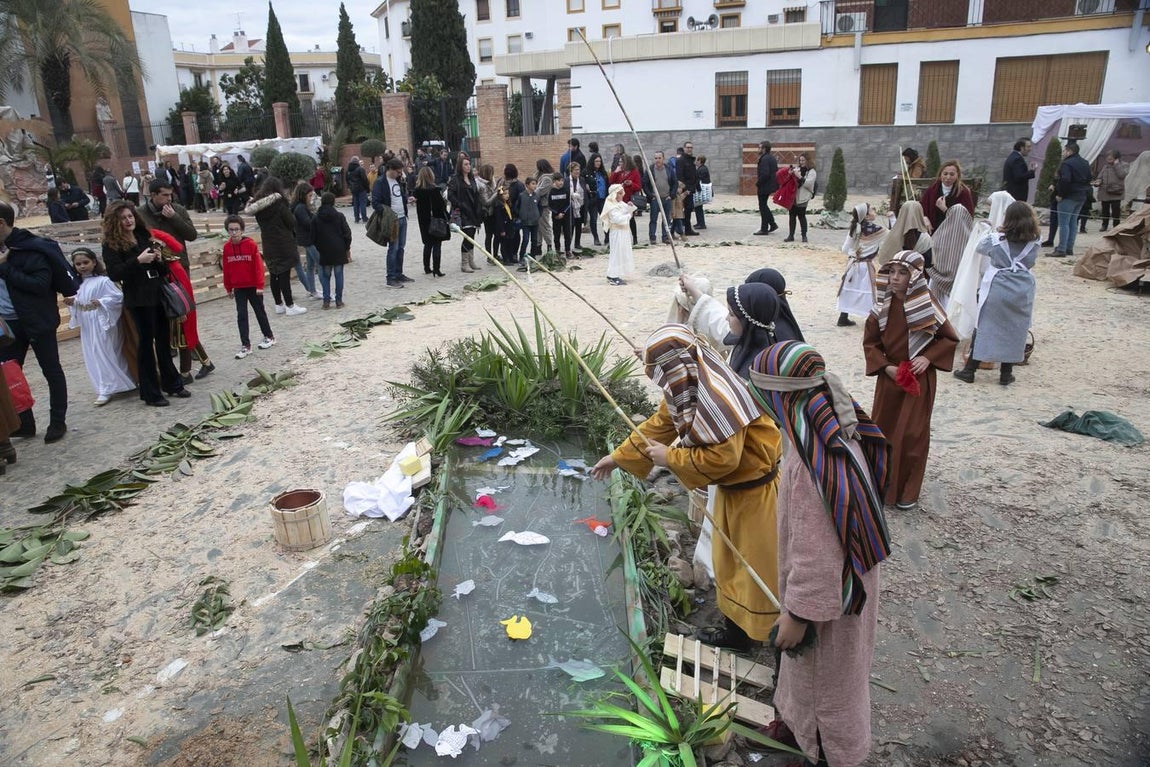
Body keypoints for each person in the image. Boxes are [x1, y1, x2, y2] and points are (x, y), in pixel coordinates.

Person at [590, 324, 783, 652]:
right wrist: (618, 457)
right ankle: (737, 632)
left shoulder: (719, 399)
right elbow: (661, 422)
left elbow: (725, 458)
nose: (663, 382)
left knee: (756, 570)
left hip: (755, 497)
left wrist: (670, 457)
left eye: (663, 372)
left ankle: (774, 640)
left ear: (676, 367)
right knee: (728, 564)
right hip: (734, 494)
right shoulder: (694, 383)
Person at [748, 340, 890, 767]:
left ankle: (827, 751)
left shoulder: (811, 463)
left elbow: (815, 551)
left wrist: (797, 614)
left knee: (825, 683)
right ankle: (795, 730)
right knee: (824, 672)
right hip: (851, 581)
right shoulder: (834, 430)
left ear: (780, 398)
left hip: (830, 598)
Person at [863, 251, 958, 509]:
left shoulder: (929, 307)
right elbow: (870, 343)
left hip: (919, 379)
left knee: (913, 434)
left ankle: (906, 491)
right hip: (890, 378)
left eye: (902, 272)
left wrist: (928, 358)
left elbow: (950, 338)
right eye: (891, 271)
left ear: (915, 277)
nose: (895, 278)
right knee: (883, 429)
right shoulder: (881, 307)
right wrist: (885, 367)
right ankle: (880, 486)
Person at [101, 202, 189, 407]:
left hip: (157, 292)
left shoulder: (142, 236)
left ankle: (173, 383)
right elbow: (115, 273)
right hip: (138, 298)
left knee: (164, 341)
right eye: (123, 218)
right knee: (146, 344)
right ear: (116, 221)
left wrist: (158, 259)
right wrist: (138, 261)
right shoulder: (111, 245)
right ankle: (151, 392)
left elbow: (162, 270)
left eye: (130, 216)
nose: (128, 221)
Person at [0, 201, 75, 440]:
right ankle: (25, 423)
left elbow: (39, 285)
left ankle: (57, 421)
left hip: (37, 320)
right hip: (7, 324)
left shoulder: (30, 248)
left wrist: (5, 268)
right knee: (10, 375)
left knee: (51, 371)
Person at [953, 201, 1040, 386]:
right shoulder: (1035, 243)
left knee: (984, 326)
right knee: (1015, 329)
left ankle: (970, 370)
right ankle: (1006, 373)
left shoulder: (996, 240)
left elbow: (980, 247)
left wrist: (993, 230)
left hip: (998, 286)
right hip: (1023, 289)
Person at [67, 248, 135, 406]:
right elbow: (80, 300)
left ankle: (111, 386)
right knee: (93, 353)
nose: (82, 266)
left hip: (102, 320)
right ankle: (106, 386)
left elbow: (117, 297)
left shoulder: (104, 281)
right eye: (78, 264)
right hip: (87, 324)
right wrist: (73, 302)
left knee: (106, 352)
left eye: (85, 262)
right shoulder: (77, 284)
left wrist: (102, 302)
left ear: (94, 262)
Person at [151, 230, 215, 385]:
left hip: (179, 310)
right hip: (175, 309)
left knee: (183, 339)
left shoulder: (173, 267)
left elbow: (181, 294)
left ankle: (185, 373)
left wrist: (181, 311)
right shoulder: (168, 265)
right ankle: (206, 363)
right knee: (188, 336)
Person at [245, 178, 307, 314]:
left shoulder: (259, 208)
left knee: (274, 274)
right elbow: (291, 222)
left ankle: (279, 304)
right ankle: (290, 305)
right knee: (284, 275)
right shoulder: (279, 204)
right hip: (283, 243)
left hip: (268, 244)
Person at [221, 215, 276, 358]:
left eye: (236, 229)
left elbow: (258, 266)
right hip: (239, 287)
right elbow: (226, 269)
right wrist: (228, 287)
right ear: (227, 231)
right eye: (231, 230)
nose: (234, 233)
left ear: (242, 230)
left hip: (253, 286)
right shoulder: (226, 248)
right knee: (241, 316)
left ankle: (269, 336)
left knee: (259, 312)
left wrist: (259, 285)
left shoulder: (251, 245)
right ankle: (245, 345)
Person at [837, 203, 887, 327]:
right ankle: (871, 321)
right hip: (865, 266)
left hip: (852, 264)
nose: (874, 211)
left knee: (847, 290)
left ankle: (843, 317)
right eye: (872, 210)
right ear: (867, 216)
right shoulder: (878, 230)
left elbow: (844, 249)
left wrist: (854, 253)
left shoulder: (854, 228)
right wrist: (892, 218)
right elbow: (893, 234)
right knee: (868, 292)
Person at [138, 179, 198, 270]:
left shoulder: (178, 210)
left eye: (170, 194)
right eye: (165, 195)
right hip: (155, 266)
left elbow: (192, 235)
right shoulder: (140, 214)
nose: (169, 198)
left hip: (179, 264)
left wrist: (174, 217)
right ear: (153, 195)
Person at [372, 158, 414, 288]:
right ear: (390, 169)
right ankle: (390, 277)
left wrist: (407, 199)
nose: (400, 174)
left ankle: (398, 273)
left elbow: (398, 196)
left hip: (402, 217)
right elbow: (376, 203)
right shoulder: (380, 182)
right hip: (392, 220)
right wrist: (387, 213)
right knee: (393, 248)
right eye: (398, 171)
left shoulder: (397, 180)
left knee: (401, 247)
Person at [926, 203, 973, 309]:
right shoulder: (971, 241)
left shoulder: (938, 236)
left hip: (936, 283)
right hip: (958, 286)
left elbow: (930, 257)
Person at [1051, 142, 1091, 257]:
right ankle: (1069, 247)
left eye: (1064, 151)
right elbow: (1089, 178)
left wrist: (1060, 194)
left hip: (1068, 196)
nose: (1063, 153)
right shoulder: (1085, 163)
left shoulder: (1067, 164)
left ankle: (1061, 249)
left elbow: (1065, 180)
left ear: (1069, 151)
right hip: (1081, 195)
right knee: (1073, 222)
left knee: (1064, 223)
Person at [313, 192, 352, 308]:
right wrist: (347, 247)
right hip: (339, 248)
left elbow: (313, 236)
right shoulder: (339, 216)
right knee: (339, 275)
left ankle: (326, 301)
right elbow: (347, 233)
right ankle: (338, 300)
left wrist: (319, 247)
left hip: (324, 250)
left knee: (325, 275)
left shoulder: (316, 218)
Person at [447, 155, 483, 273]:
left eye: (469, 164)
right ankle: (464, 263)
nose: (468, 166)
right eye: (465, 164)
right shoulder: (455, 180)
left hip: (473, 211)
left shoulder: (472, 179)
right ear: (460, 167)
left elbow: (476, 194)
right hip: (463, 211)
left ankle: (471, 260)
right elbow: (450, 195)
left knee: (472, 236)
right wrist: (459, 204)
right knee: (467, 236)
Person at [919, 160, 975, 232]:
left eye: (952, 174)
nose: (948, 177)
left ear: (957, 175)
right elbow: (922, 207)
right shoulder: (932, 190)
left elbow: (967, 218)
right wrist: (924, 217)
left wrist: (945, 210)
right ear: (940, 174)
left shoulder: (963, 192)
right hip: (933, 230)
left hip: (953, 232)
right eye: (945, 174)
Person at [413, 166, 448, 276]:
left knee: (427, 244)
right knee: (437, 244)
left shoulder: (417, 191)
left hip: (424, 221)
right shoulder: (435, 190)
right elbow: (441, 207)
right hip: (436, 220)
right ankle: (436, 269)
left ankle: (427, 267)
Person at [289, 182, 321, 300]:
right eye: (309, 196)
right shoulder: (300, 208)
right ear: (303, 195)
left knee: (311, 265)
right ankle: (316, 290)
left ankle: (312, 290)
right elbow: (308, 223)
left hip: (305, 239)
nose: (310, 198)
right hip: (307, 240)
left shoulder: (299, 207)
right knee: (319, 263)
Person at [877, 200, 932, 268]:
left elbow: (884, 258)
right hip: (915, 276)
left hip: (894, 275)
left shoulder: (892, 235)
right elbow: (929, 263)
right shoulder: (925, 238)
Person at [599, 184, 635, 286]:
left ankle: (618, 273)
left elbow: (625, 209)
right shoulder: (611, 205)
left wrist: (629, 206)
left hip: (624, 232)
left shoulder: (619, 203)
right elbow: (617, 219)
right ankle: (612, 275)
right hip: (617, 232)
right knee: (616, 253)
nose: (621, 195)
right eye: (619, 193)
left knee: (622, 252)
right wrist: (628, 215)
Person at [608, 154, 642, 247]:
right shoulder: (619, 172)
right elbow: (611, 182)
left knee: (631, 218)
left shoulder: (634, 172)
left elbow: (638, 186)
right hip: (618, 199)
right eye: (619, 162)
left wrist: (631, 184)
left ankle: (634, 237)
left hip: (629, 198)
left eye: (621, 162)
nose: (620, 164)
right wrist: (615, 172)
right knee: (618, 218)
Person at [644, 150, 676, 245]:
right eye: (656, 158)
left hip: (666, 198)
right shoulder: (650, 170)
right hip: (655, 199)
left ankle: (665, 237)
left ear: (663, 158)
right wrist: (650, 195)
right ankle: (652, 237)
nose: (657, 160)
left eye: (659, 158)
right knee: (653, 219)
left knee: (666, 219)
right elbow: (645, 183)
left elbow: (674, 182)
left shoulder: (669, 169)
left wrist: (671, 195)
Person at [783, 154, 816, 243]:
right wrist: (790, 174)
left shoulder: (811, 172)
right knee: (792, 216)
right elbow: (789, 182)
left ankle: (804, 236)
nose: (801, 162)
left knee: (801, 216)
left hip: (803, 197)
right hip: (794, 196)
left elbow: (808, 184)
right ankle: (791, 235)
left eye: (803, 160)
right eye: (800, 160)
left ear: (807, 161)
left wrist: (799, 176)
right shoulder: (797, 169)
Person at [1095, 150, 1128, 232]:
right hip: (1104, 191)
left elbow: (1122, 175)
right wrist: (1098, 181)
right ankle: (1104, 225)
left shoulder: (1124, 165)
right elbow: (1100, 176)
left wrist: (1116, 165)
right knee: (1105, 210)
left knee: (1115, 211)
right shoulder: (1105, 166)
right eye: (1108, 156)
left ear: (1116, 157)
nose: (1108, 158)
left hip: (1116, 192)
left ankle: (1116, 226)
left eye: (1111, 156)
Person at [755, 141, 780, 235]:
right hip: (769, 185)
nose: (758, 149)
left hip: (764, 185)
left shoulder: (765, 159)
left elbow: (765, 174)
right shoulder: (771, 158)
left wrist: (758, 183)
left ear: (764, 149)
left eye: (760, 147)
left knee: (762, 207)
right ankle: (772, 224)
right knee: (764, 205)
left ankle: (764, 228)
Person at [585, 154, 609, 247]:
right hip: (593, 199)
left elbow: (607, 184)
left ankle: (607, 237)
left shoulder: (603, 172)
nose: (598, 163)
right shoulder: (587, 172)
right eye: (596, 161)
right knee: (594, 219)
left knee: (605, 218)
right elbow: (584, 183)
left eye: (599, 161)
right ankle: (596, 238)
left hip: (603, 199)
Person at [517, 176, 542, 267]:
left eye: (535, 184)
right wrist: (520, 216)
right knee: (526, 239)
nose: (535, 186)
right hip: (525, 222)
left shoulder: (537, 196)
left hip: (535, 222)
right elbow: (517, 207)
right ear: (527, 185)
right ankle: (521, 257)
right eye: (533, 184)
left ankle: (533, 256)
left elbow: (540, 207)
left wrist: (538, 215)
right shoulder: (521, 195)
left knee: (534, 240)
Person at [1003, 138, 1036, 202]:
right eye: (1028, 147)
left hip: (1012, 194)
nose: (1030, 149)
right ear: (1021, 148)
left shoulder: (1014, 156)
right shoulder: (1017, 159)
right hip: (1016, 195)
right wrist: (1032, 171)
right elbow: (1019, 177)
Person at [476, 164, 499, 257]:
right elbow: (486, 202)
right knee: (489, 235)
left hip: (495, 212)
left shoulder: (491, 181)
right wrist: (497, 193)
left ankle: (495, 254)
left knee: (496, 235)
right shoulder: (481, 185)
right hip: (487, 213)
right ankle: (489, 256)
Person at [534, 160, 556, 256]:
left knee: (545, 225)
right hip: (538, 204)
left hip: (544, 205)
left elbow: (540, 191)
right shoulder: (539, 176)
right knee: (538, 226)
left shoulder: (547, 178)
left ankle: (549, 245)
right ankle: (538, 246)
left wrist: (532, 192)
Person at [548, 173, 573, 259]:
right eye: (559, 181)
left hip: (565, 215)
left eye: (562, 180)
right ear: (554, 181)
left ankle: (568, 250)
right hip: (556, 217)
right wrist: (557, 214)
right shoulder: (551, 192)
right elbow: (550, 205)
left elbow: (568, 203)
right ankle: (558, 251)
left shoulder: (566, 190)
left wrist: (563, 213)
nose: (561, 182)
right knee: (557, 234)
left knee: (567, 233)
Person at [678, 141, 700, 236]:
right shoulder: (681, 160)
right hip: (685, 189)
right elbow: (680, 175)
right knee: (685, 209)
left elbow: (694, 174)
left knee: (689, 209)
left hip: (691, 188)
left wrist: (695, 186)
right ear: (684, 148)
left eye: (691, 147)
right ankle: (683, 228)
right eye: (688, 147)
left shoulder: (691, 160)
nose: (689, 149)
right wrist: (684, 189)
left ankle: (686, 228)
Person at [566, 162, 586, 253]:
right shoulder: (566, 180)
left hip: (579, 205)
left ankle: (577, 243)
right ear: (571, 171)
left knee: (579, 225)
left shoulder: (581, 180)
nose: (578, 172)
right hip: (570, 206)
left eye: (579, 170)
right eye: (576, 170)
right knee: (571, 226)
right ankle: (568, 244)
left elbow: (584, 191)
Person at [346, 155, 370, 224]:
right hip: (361, 189)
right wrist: (367, 188)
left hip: (353, 189)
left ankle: (356, 218)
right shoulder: (360, 169)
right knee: (362, 203)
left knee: (355, 204)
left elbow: (347, 180)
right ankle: (364, 218)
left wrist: (350, 187)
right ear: (357, 161)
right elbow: (364, 179)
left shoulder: (348, 171)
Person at [693, 154, 711, 231]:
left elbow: (699, 179)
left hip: (701, 191)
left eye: (697, 160)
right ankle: (699, 223)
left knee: (698, 207)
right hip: (701, 191)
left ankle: (701, 224)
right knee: (698, 207)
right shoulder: (703, 168)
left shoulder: (702, 169)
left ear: (700, 161)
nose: (696, 162)